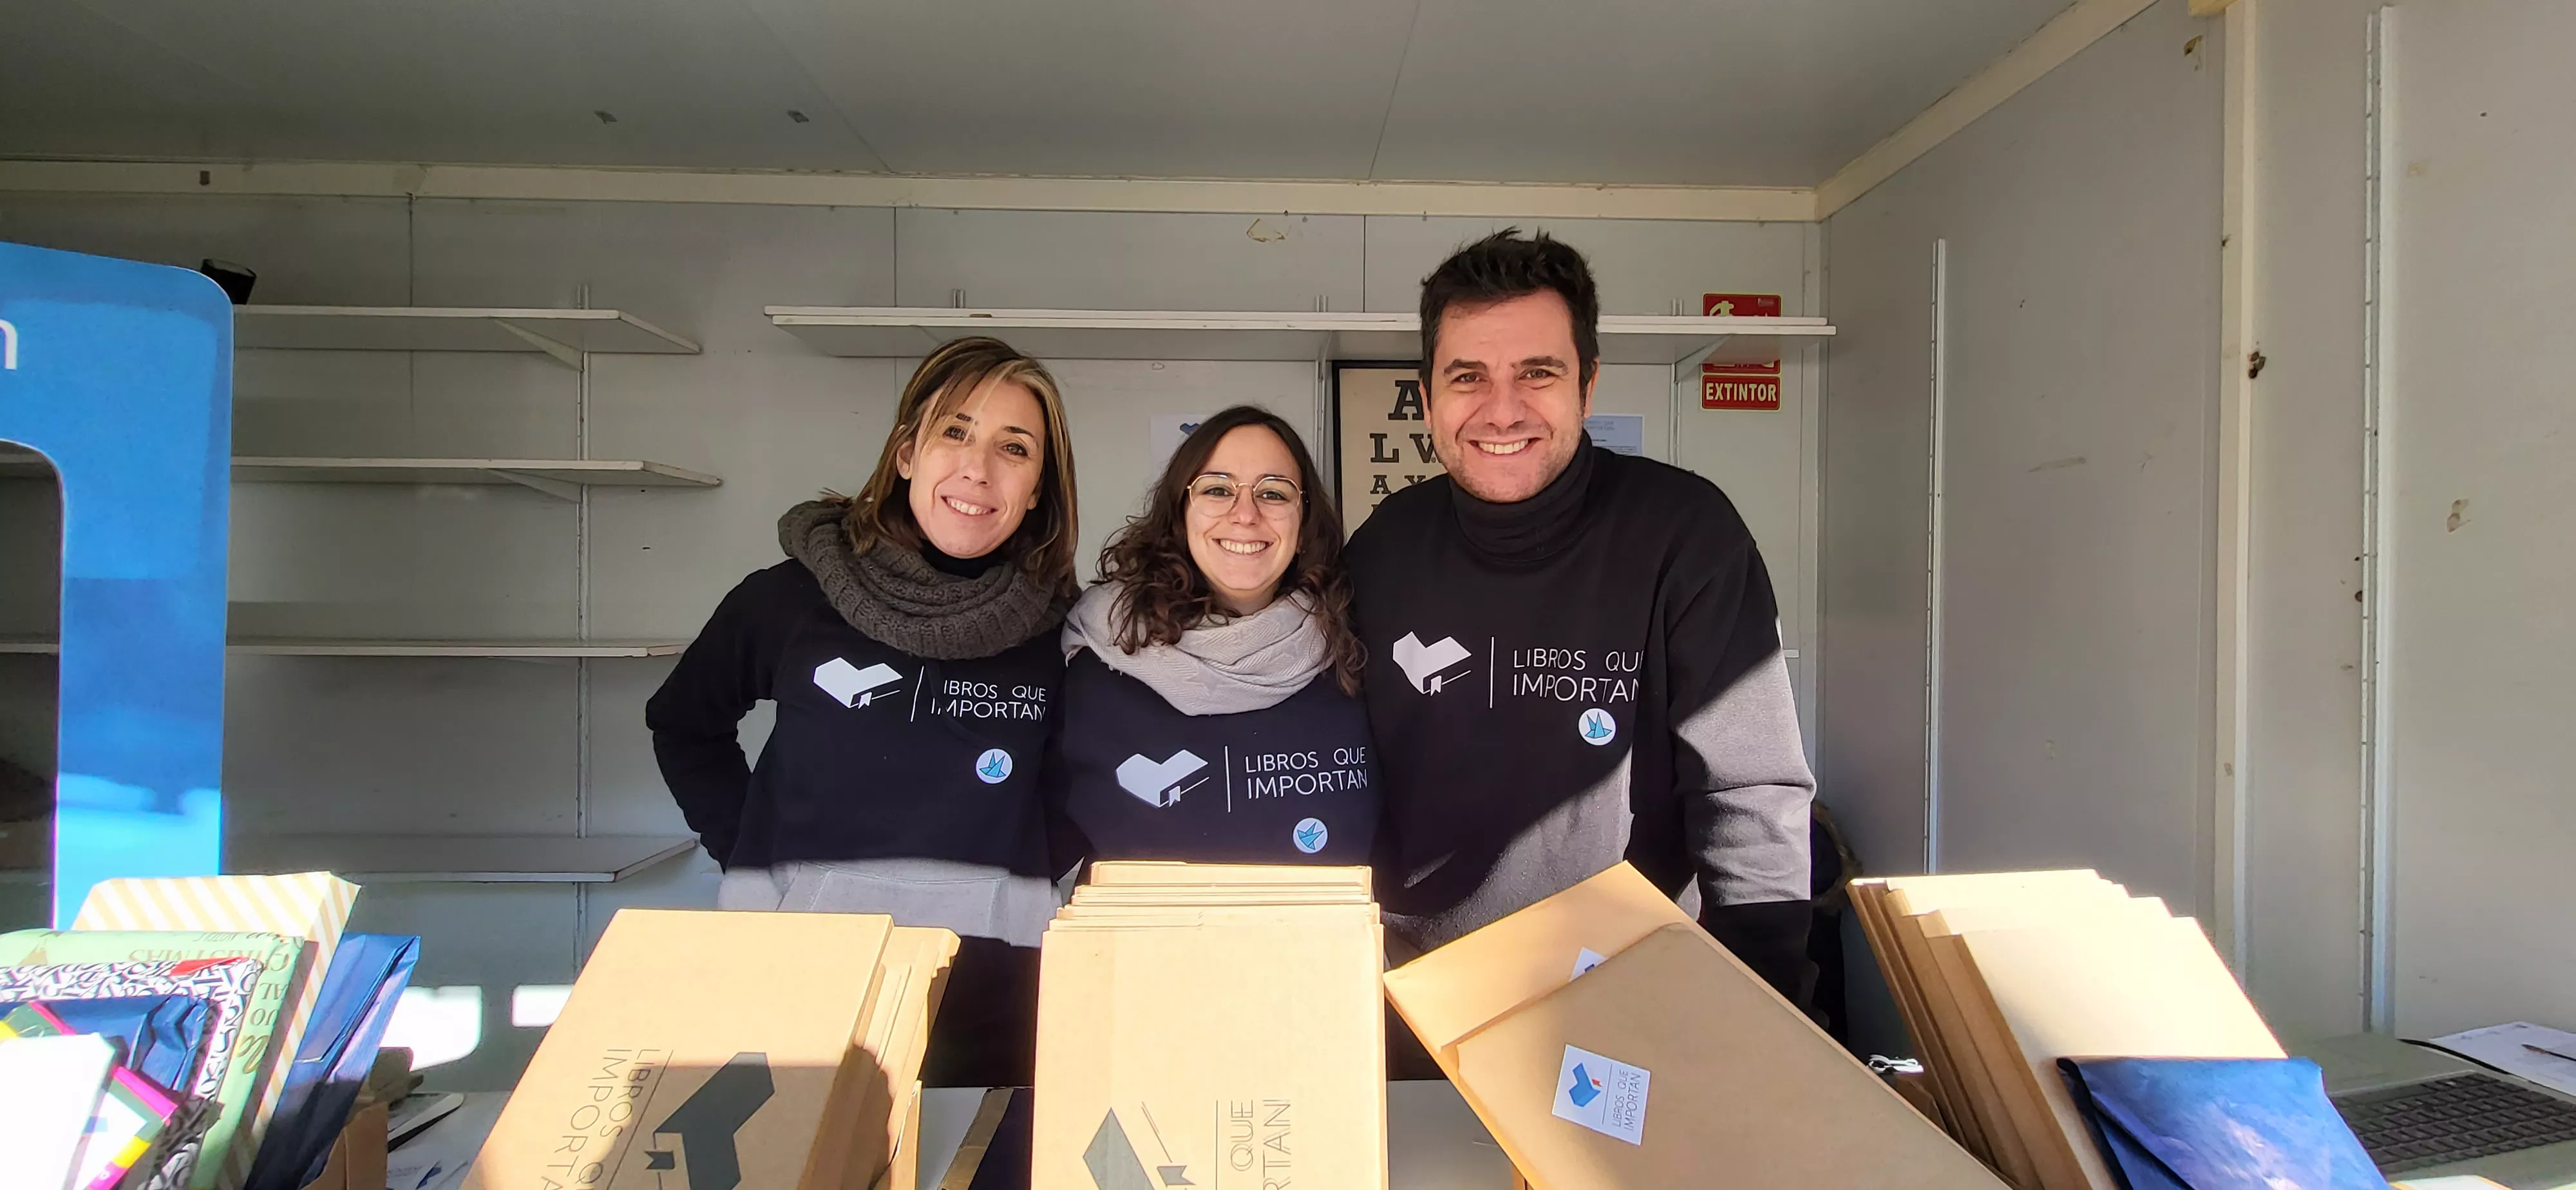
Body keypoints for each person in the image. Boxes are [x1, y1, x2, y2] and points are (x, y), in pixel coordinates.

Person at [1345, 230, 1817, 1003]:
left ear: (1587, 387)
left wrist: (1763, 1015)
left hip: (1627, 989)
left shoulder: (1684, 532)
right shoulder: (1383, 547)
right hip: (1421, 996)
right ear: (1426, 397)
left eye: (1538, 373)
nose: (1501, 411)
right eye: (1468, 376)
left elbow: (1749, 791)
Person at [645, 336, 1078, 1086]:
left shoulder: (1062, 632)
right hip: (795, 977)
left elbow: (1088, 783)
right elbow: (685, 725)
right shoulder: (789, 600)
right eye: (955, 432)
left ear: (1038, 488)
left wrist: (1035, 871)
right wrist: (754, 851)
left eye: (1015, 448)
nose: (978, 468)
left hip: (992, 1001)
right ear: (906, 453)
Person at [1045, 406, 1376, 872]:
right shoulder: (1099, 663)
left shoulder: (1353, 654)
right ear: (1181, 517)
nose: (1245, 514)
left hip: (1314, 944)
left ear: (1304, 528)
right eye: (1218, 489)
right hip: (1137, 945)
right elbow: (1035, 847)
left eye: (1274, 493)